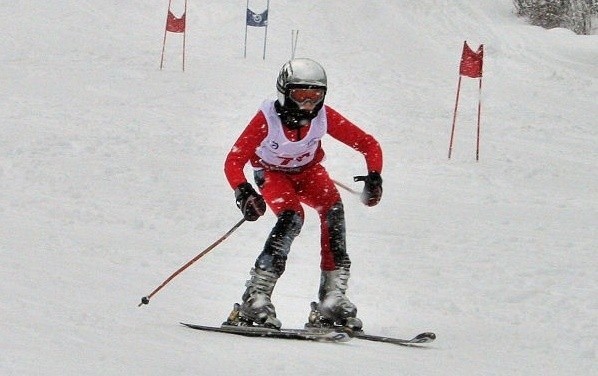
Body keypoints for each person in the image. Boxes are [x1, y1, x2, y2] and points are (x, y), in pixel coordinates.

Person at [223, 58, 383, 330]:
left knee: (333, 211)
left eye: (315, 96)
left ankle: (332, 299)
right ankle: (256, 297)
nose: (308, 103)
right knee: (291, 217)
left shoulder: (323, 117)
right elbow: (234, 160)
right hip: (273, 174)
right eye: (300, 95)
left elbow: (368, 144)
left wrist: (374, 177)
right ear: (284, 93)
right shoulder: (267, 119)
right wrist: (244, 192)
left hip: (309, 173)